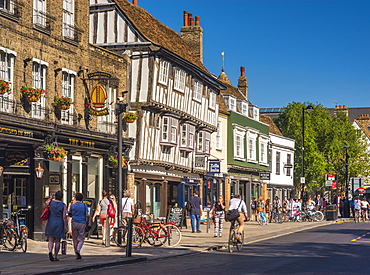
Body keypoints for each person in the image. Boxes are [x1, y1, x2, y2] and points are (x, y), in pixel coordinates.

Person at [45, 191, 68, 262]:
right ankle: (55, 256)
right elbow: (64, 216)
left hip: (51, 221)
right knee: (58, 240)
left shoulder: (51, 203)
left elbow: (46, 203)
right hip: (59, 222)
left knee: (51, 239)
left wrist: (51, 198)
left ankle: (50, 251)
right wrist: (66, 226)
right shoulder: (63, 205)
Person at [68, 192, 89, 259]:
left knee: (74, 238)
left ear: (75, 198)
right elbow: (87, 214)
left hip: (74, 222)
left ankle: (76, 253)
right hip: (82, 222)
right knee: (81, 238)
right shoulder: (84, 205)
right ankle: (78, 250)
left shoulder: (72, 205)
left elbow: (70, 214)